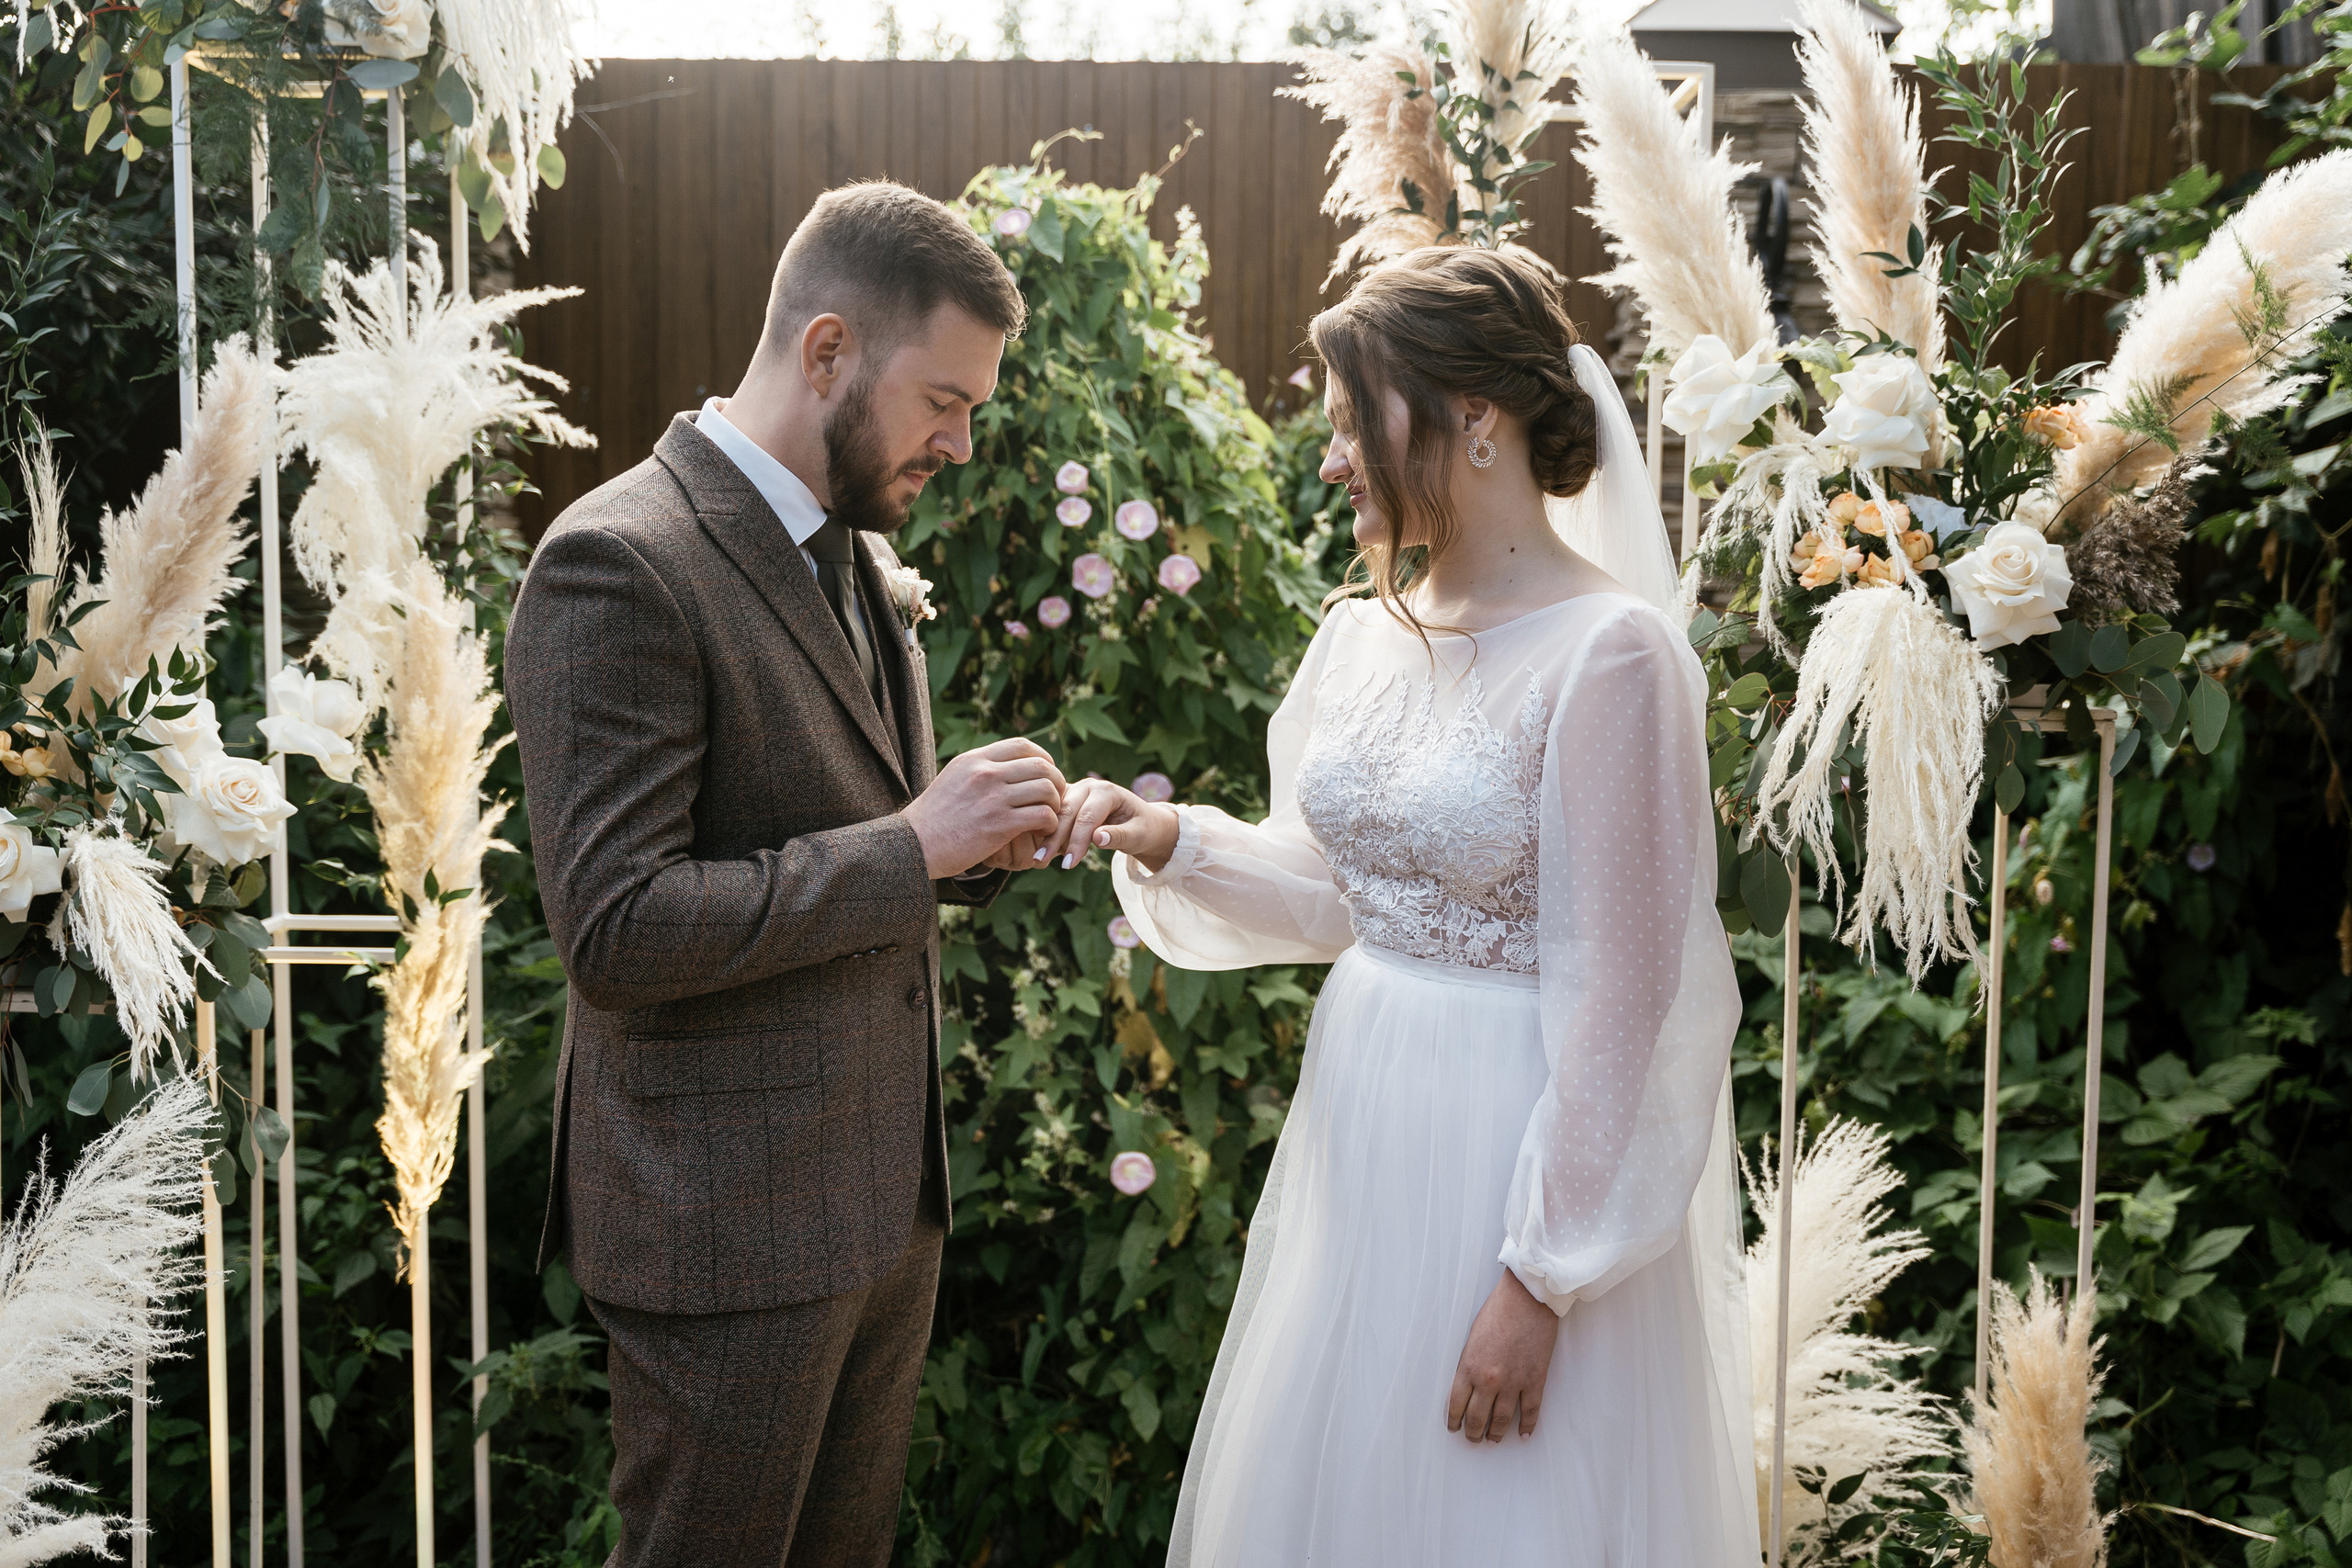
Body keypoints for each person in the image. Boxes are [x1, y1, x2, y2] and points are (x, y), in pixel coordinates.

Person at [1038, 246, 1759, 1565]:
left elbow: (1624, 1003)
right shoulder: (1366, 634)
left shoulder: (1612, 656)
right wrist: (1174, 841)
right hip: (1364, 1146)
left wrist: (1540, 1280)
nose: (1331, 462)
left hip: (1512, 1163)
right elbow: (1338, 894)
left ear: (1472, 419)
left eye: (1350, 422)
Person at [505, 181, 1063, 1568]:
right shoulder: (618, 564)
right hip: (726, 1236)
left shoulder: (859, 552)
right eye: (944, 398)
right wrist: (912, 846)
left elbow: (870, 832)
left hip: (883, 1214)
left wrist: (975, 843)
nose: (962, 439)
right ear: (827, 354)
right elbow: (618, 929)